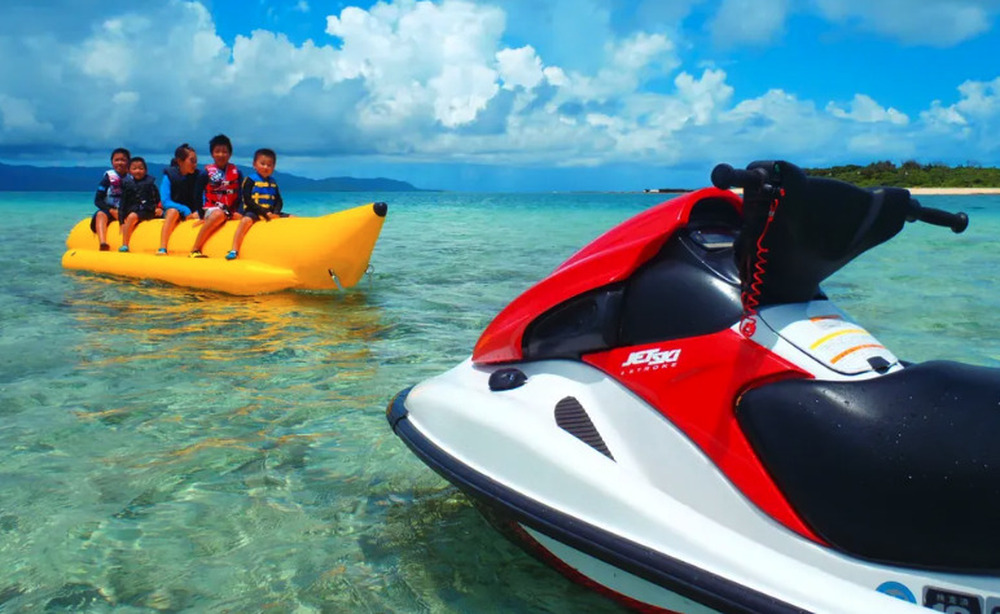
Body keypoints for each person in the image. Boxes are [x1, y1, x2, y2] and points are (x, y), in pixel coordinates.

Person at [226, 148, 289, 260]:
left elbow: (279, 200)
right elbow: (248, 200)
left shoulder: (273, 182)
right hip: (254, 211)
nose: (266, 167)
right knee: (245, 221)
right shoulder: (250, 180)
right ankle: (234, 249)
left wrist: (276, 212)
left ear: (274, 167)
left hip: (270, 212)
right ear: (254, 164)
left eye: (269, 165)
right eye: (262, 164)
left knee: (293, 217)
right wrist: (264, 212)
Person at [189, 134, 243, 258]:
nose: (221, 155)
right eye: (217, 151)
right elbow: (197, 195)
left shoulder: (237, 173)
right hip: (212, 210)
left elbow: (241, 194)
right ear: (212, 154)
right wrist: (202, 216)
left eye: (224, 151)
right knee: (218, 214)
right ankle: (195, 249)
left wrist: (240, 212)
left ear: (230, 154)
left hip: (231, 210)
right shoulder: (205, 173)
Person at [157, 143, 202, 255]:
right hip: (175, 210)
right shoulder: (169, 176)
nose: (195, 164)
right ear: (180, 161)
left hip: (193, 212)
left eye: (196, 161)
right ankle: (162, 247)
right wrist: (185, 210)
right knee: (173, 212)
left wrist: (199, 211)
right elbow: (165, 201)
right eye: (192, 161)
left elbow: (204, 197)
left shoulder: (199, 176)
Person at [118, 157, 162, 252]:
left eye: (141, 168)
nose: (138, 171)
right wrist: (121, 222)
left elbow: (157, 198)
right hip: (134, 210)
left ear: (146, 170)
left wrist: (159, 208)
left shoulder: (150, 185)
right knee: (131, 216)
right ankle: (125, 244)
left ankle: (125, 244)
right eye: (134, 168)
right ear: (129, 171)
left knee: (132, 217)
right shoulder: (127, 185)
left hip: (148, 211)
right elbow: (122, 204)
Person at [91, 147, 130, 251]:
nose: (120, 163)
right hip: (108, 209)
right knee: (100, 214)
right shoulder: (108, 178)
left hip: (125, 210)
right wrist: (111, 210)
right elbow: (98, 200)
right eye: (116, 160)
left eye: (123, 160)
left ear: (128, 162)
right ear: (112, 162)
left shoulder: (131, 178)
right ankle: (103, 242)